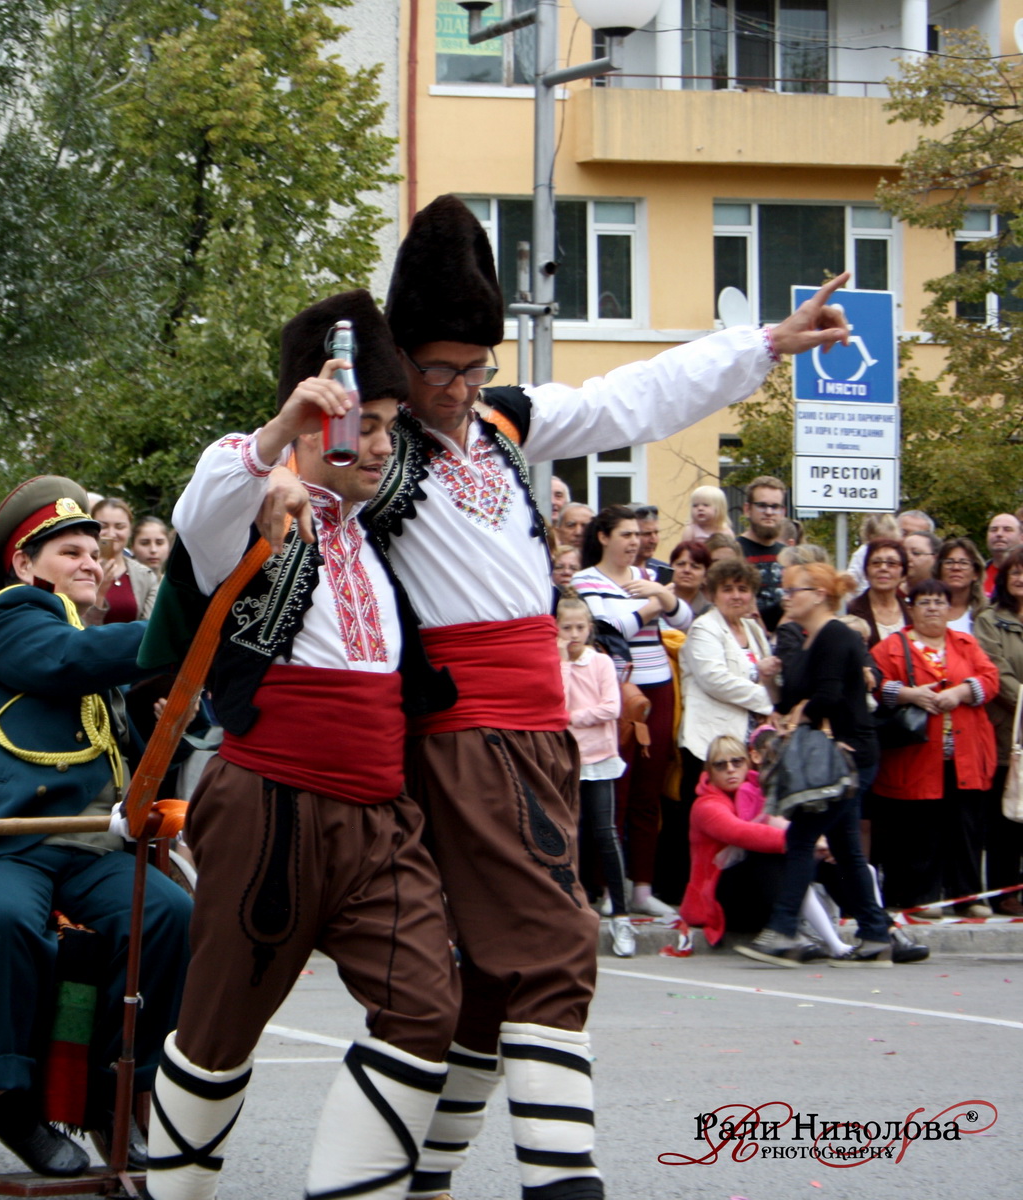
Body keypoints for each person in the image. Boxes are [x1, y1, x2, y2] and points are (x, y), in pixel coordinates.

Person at [276, 194, 849, 1200]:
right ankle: (564, 1184)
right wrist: (291, 456)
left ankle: (425, 1178)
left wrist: (763, 343)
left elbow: (633, 397)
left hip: (542, 733)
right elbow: (292, 478)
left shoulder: (505, 422)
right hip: (461, 732)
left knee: (493, 978)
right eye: (437, 369)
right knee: (553, 945)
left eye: (475, 367)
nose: (457, 389)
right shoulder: (379, 450)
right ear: (401, 360)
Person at [149, 293, 451, 1200]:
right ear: (320, 420)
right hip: (269, 809)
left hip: (380, 818)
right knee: (216, 1033)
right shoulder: (255, 512)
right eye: (370, 423)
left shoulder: (378, 539)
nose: (386, 445)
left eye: (392, 426)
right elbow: (202, 507)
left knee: (426, 1006)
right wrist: (278, 437)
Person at [0, 475, 190, 1178]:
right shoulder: (11, 615)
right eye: (70, 552)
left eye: (95, 551)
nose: (91, 562)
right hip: (5, 839)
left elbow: (129, 743)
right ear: (25, 564)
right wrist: (191, 624)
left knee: (170, 914)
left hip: (89, 844)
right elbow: (66, 661)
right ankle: (7, 1099)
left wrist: (176, 711)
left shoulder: (89, 644)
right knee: (1, 920)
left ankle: (116, 1090)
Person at [738, 562, 893, 967]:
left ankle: (783, 929)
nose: (786, 597)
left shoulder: (838, 635)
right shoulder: (810, 641)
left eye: (794, 590)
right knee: (845, 847)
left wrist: (799, 715)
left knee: (802, 836)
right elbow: (789, 702)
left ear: (820, 595)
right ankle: (877, 934)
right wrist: (770, 680)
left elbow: (829, 696)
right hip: (833, 756)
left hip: (849, 754)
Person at [572, 506, 693, 916]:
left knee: (648, 789)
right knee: (616, 789)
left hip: (658, 686)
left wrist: (663, 597)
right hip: (617, 690)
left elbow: (686, 618)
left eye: (638, 535)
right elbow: (608, 629)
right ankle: (609, 886)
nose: (635, 542)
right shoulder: (585, 580)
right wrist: (654, 605)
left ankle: (642, 886)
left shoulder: (647, 576)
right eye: (626, 534)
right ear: (603, 537)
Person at [869, 579, 999, 917]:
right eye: (924, 602)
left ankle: (968, 897)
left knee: (966, 827)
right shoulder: (891, 647)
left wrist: (960, 692)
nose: (932, 608)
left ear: (949, 608)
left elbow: (990, 678)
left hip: (965, 754)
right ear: (911, 609)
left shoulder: (965, 643)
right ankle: (920, 897)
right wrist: (909, 695)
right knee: (920, 828)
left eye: (939, 602)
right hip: (915, 755)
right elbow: (873, 683)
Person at [681, 734, 854, 958]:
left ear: (748, 763)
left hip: (756, 895)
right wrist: (804, 842)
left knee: (832, 859)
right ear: (710, 771)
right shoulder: (706, 805)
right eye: (720, 765)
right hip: (719, 902)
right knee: (767, 855)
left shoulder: (757, 789)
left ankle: (874, 928)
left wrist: (820, 843)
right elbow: (741, 832)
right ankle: (796, 933)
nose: (730, 769)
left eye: (737, 762)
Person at [559, 594, 631, 958]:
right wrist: (562, 664)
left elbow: (611, 708)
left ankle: (622, 915)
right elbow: (555, 702)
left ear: (589, 628)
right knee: (567, 834)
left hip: (599, 758)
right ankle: (571, 913)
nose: (574, 635)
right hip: (567, 760)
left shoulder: (601, 662)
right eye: (566, 628)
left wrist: (573, 718)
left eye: (579, 627)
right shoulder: (556, 664)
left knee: (605, 833)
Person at [678, 556, 773, 828]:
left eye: (743, 589)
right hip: (710, 743)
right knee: (712, 822)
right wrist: (769, 702)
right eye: (727, 589)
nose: (736, 596)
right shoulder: (704, 628)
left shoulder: (753, 628)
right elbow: (715, 680)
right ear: (712, 594)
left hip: (745, 743)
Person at [975, 546, 1023, 915]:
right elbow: (996, 670)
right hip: (1007, 732)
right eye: (1016, 571)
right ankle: (1003, 892)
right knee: (1005, 818)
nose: (1021, 578)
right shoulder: (990, 620)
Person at [88, 497, 158, 626]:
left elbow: (150, 627)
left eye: (119, 527)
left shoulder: (146, 576)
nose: (111, 534)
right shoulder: (80, 569)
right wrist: (99, 593)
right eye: (103, 526)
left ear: (130, 530)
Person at [737, 475, 789, 629]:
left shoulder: (789, 556)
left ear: (783, 512)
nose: (769, 512)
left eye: (775, 506)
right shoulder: (733, 551)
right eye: (762, 505)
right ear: (747, 509)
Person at [845, 538, 910, 646]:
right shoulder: (851, 610)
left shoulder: (911, 612)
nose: (883, 568)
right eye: (876, 563)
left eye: (892, 563)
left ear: (903, 574)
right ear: (866, 571)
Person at [934, 537, 985, 635]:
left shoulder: (986, 613)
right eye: (949, 562)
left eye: (964, 563)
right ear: (939, 571)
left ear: (976, 573)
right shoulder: (927, 608)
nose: (956, 568)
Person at [844, 512, 899, 595]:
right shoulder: (863, 553)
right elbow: (852, 577)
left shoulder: (896, 553)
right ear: (870, 537)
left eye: (888, 541)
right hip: (865, 595)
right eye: (880, 540)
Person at [668, 539, 713, 619]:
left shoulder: (711, 613)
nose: (687, 570)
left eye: (695, 566)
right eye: (681, 564)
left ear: (705, 575)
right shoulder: (656, 603)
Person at [633, 504, 672, 584]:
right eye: (647, 534)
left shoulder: (664, 572)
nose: (653, 540)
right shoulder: (614, 572)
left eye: (656, 533)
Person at [985, 513, 1021, 597]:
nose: (999, 534)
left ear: (1021, 537)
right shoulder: (975, 575)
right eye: (994, 530)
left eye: (1007, 529)